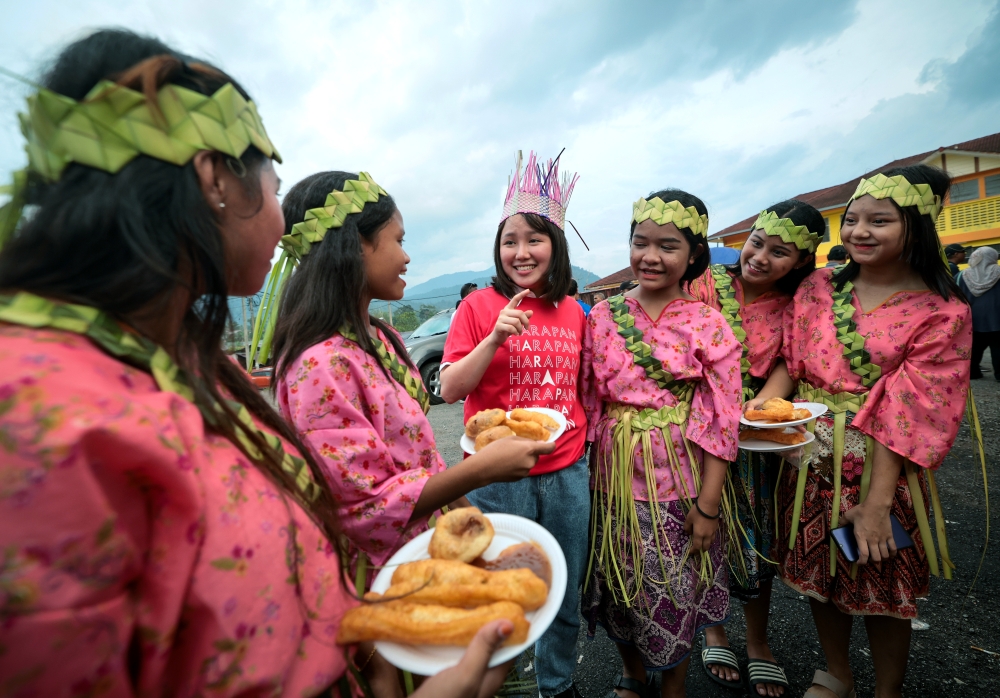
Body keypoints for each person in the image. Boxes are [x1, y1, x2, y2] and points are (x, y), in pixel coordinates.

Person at [0, 29, 514, 697]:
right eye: (272, 184)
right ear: (215, 178)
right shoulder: (41, 421)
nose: (280, 217)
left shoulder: (184, 365)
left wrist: (365, 643)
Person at [257, 171, 553, 587]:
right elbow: (364, 509)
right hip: (390, 574)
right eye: (398, 240)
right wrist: (480, 471)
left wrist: (471, 515)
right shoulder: (318, 366)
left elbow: (423, 455)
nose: (406, 257)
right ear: (355, 245)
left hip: (433, 542)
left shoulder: (383, 336)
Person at [748, 165, 971, 698]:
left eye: (880, 221)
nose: (859, 231)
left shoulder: (943, 311)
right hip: (809, 458)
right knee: (821, 572)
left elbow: (909, 415)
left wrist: (875, 505)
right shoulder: (821, 284)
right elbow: (792, 361)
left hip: (881, 470)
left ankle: (886, 689)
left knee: (883, 576)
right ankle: (837, 673)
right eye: (851, 220)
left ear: (915, 227)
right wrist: (759, 410)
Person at [581, 189, 742, 698]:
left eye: (668, 246)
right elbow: (587, 400)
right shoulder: (602, 317)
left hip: (680, 481)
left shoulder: (708, 322)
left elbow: (722, 417)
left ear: (694, 254)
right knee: (617, 584)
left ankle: (673, 685)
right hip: (611, 479)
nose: (650, 256)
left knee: (674, 589)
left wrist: (710, 506)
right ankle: (631, 672)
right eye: (640, 242)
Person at [440, 150, 589, 698]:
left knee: (562, 585)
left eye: (534, 239)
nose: (521, 252)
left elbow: (582, 392)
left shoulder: (573, 310)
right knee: (501, 587)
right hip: (499, 475)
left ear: (556, 246)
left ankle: (557, 683)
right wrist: (495, 336)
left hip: (568, 469)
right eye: (510, 241)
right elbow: (451, 388)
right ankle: (500, 682)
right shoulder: (478, 307)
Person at [687, 200, 821, 696]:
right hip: (696, 432)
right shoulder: (704, 283)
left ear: (801, 263)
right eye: (757, 243)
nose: (760, 257)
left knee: (756, 537)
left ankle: (759, 641)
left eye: (779, 252)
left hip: (754, 438)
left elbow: (791, 359)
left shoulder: (799, 304)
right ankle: (714, 629)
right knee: (703, 530)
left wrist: (757, 409)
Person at [958, 246, 1000, 379]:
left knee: (973, 348)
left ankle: (972, 373)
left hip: (972, 319)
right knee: (998, 348)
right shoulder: (998, 272)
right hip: (997, 318)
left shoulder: (962, 275)